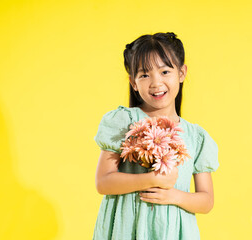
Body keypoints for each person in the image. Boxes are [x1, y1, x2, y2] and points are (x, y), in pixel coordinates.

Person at [92, 32, 220, 240]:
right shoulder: (123, 121)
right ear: (133, 82)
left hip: (173, 233)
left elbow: (206, 201)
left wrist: (174, 195)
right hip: (127, 230)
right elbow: (103, 182)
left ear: (181, 73)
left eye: (165, 71)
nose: (155, 82)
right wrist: (152, 179)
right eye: (144, 75)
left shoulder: (196, 137)